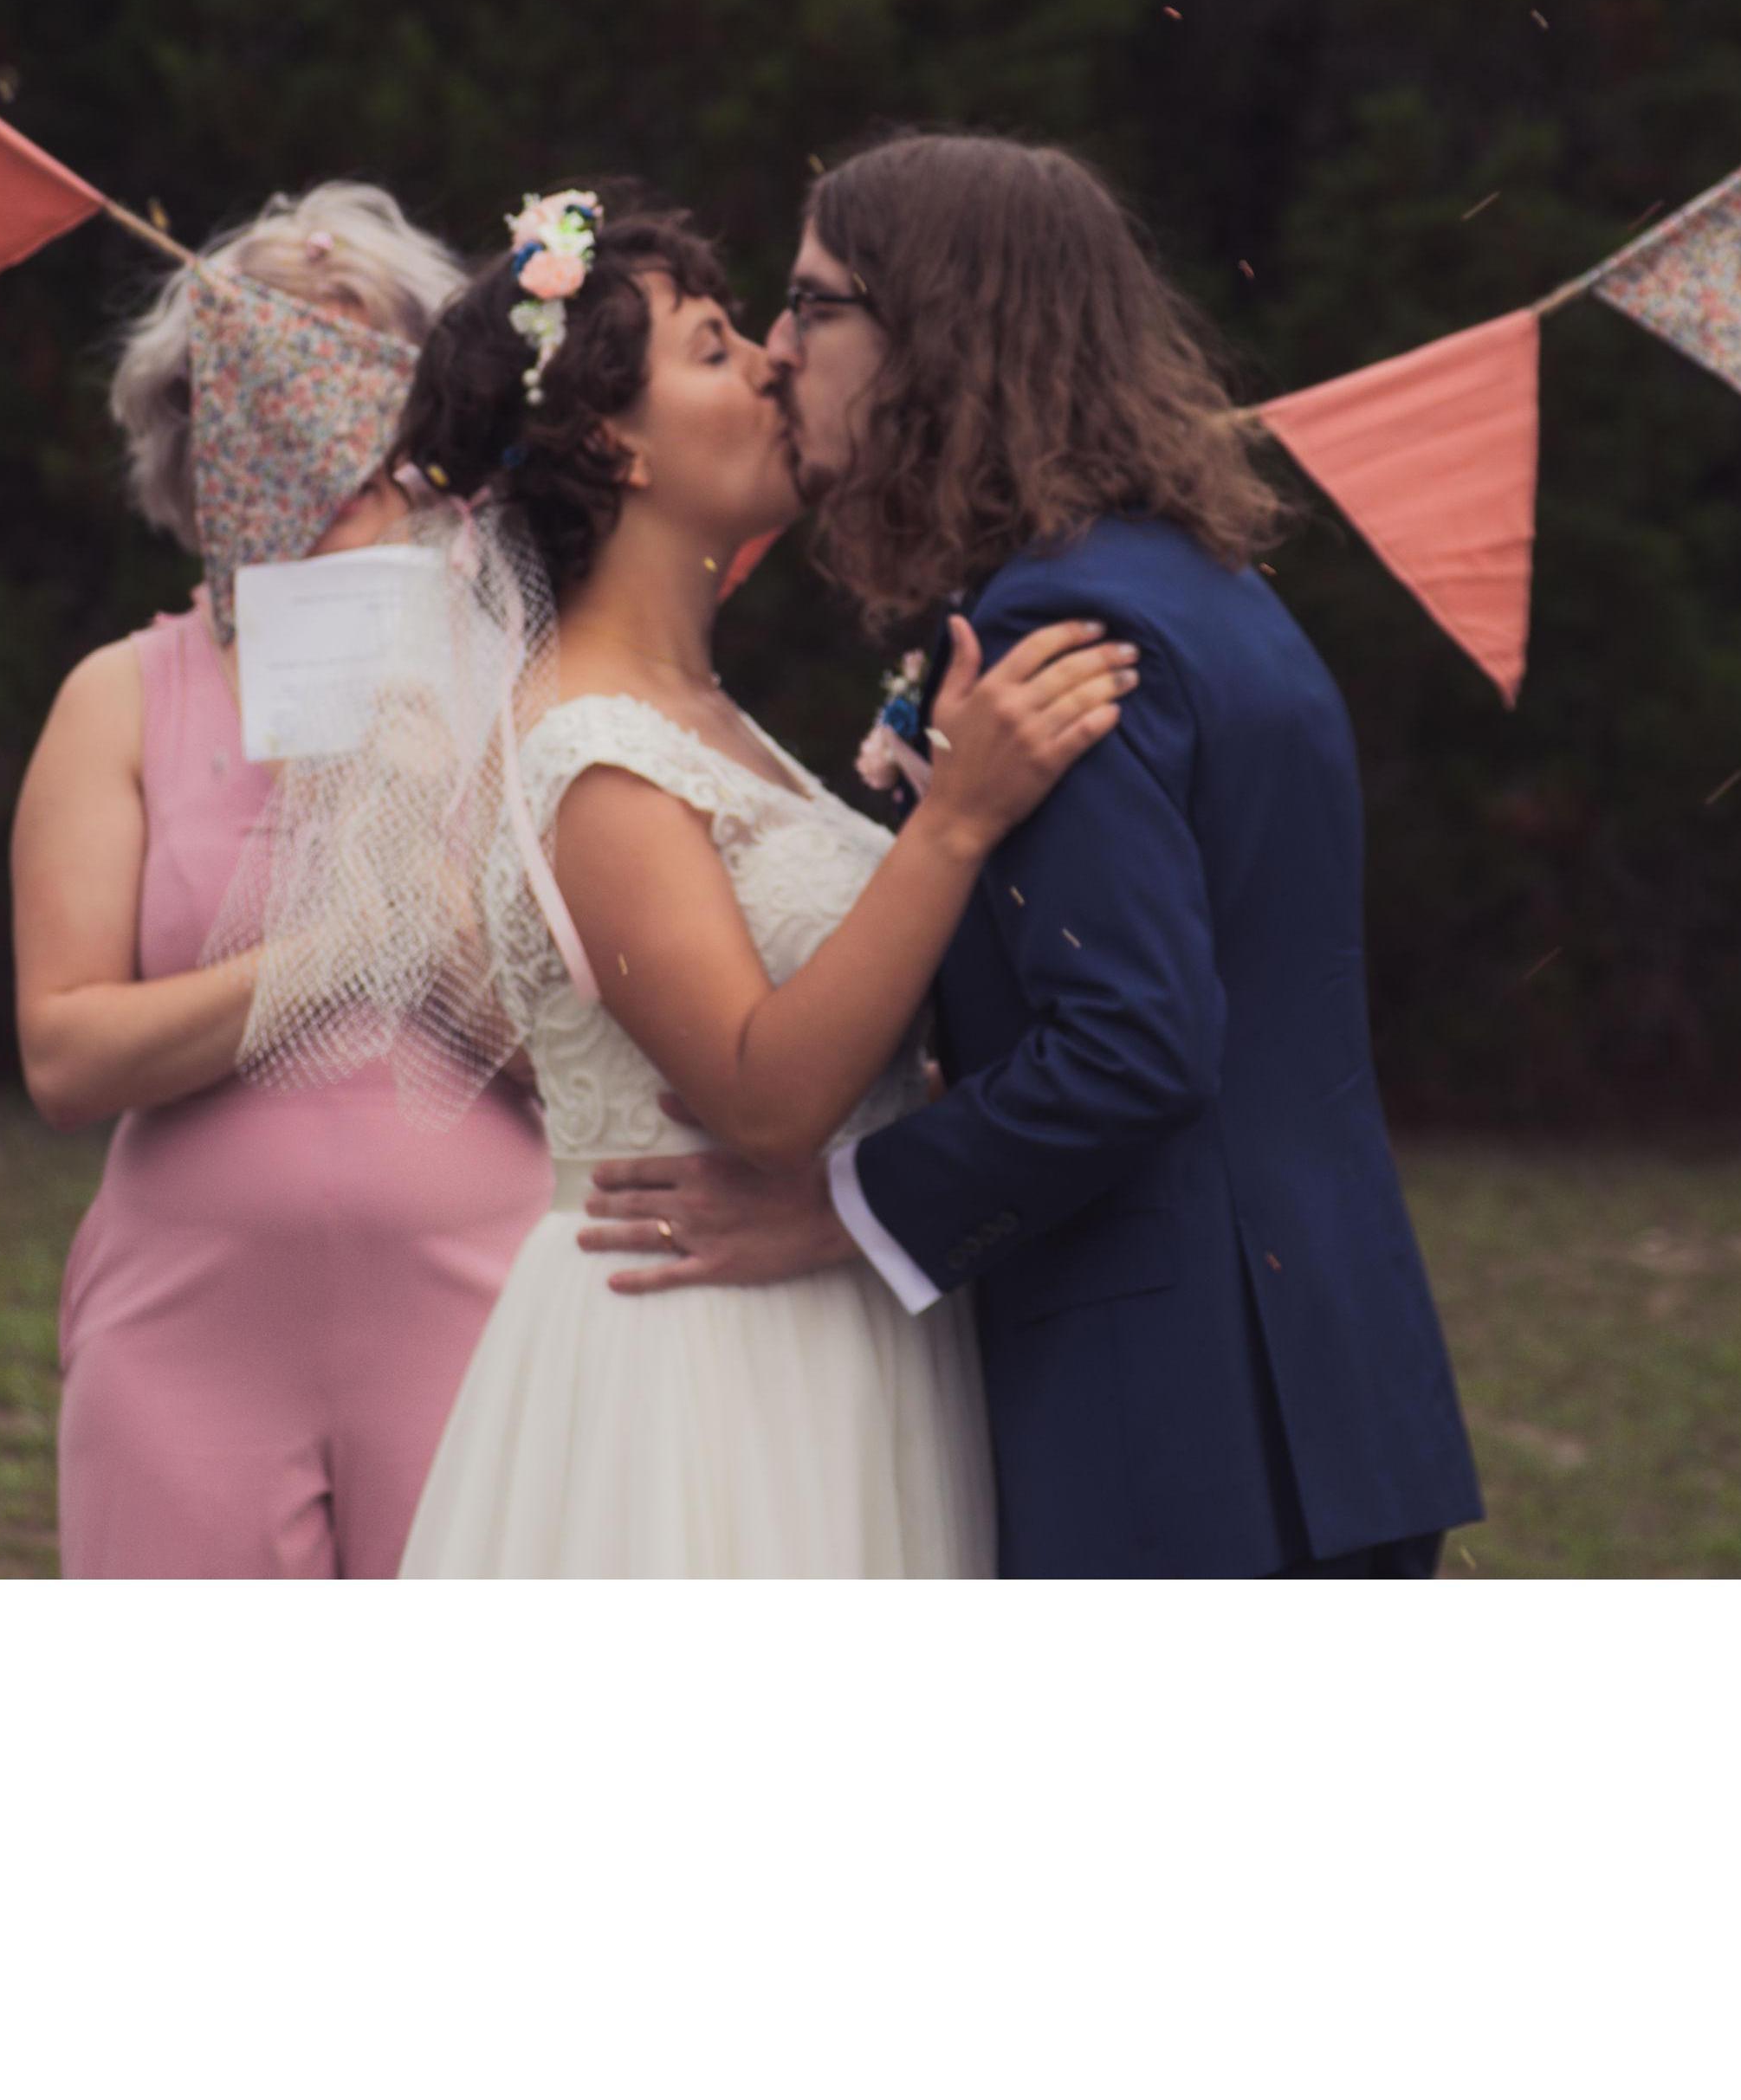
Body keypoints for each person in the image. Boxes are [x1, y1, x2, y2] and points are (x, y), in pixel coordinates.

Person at [577, 132, 1485, 1579]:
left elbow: (1134, 1046)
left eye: (814, 307)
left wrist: (850, 1207)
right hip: (1329, 1379)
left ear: (934, 332)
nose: (778, 352)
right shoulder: (1205, 584)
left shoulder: (1055, 636)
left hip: (1180, 1420)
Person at [273, 185, 1129, 1577]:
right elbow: (762, 1095)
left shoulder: (702, 714)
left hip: (820, 1313)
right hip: (701, 1369)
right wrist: (955, 825)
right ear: (618, 443)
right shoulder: (591, 751)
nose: (778, 362)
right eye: (719, 345)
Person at [10, 179, 551, 1580]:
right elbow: (65, 1054)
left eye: (370, 395)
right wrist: (323, 957)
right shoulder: (120, 698)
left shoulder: (529, 687)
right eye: (273, 392)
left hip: (487, 1320)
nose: (331, 445)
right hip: (185, 1344)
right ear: (199, 435)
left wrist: (434, 940)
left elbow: (621, 1066)